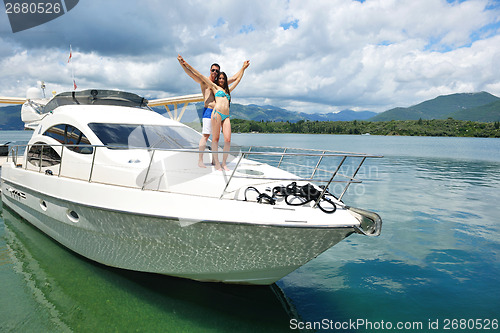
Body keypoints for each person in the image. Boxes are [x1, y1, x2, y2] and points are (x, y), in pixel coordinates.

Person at [178, 55, 249, 171]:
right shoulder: (204, 82)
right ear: (210, 70)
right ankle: (200, 160)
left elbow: (236, 78)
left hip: (220, 112)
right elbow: (192, 74)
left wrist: (243, 68)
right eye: (213, 70)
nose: (215, 72)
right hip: (209, 110)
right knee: (206, 136)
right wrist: (183, 64)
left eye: (217, 71)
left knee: (218, 138)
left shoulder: (220, 84)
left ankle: (214, 160)